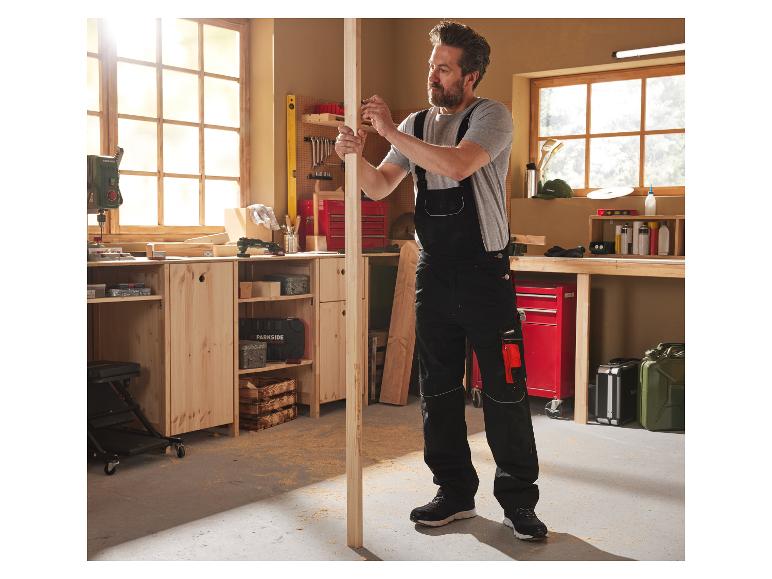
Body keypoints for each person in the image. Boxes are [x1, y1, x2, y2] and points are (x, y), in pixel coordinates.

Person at [334, 20, 547, 541]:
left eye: (445, 68)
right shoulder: (416, 123)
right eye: (432, 66)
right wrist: (352, 158)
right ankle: (453, 492)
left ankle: (518, 500)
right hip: (434, 273)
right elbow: (379, 187)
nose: (433, 75)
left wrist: (389, 132)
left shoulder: (491, 116)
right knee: (439, 389)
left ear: (470, 77)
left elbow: (457, 165)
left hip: (485, 275)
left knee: (504, 388)